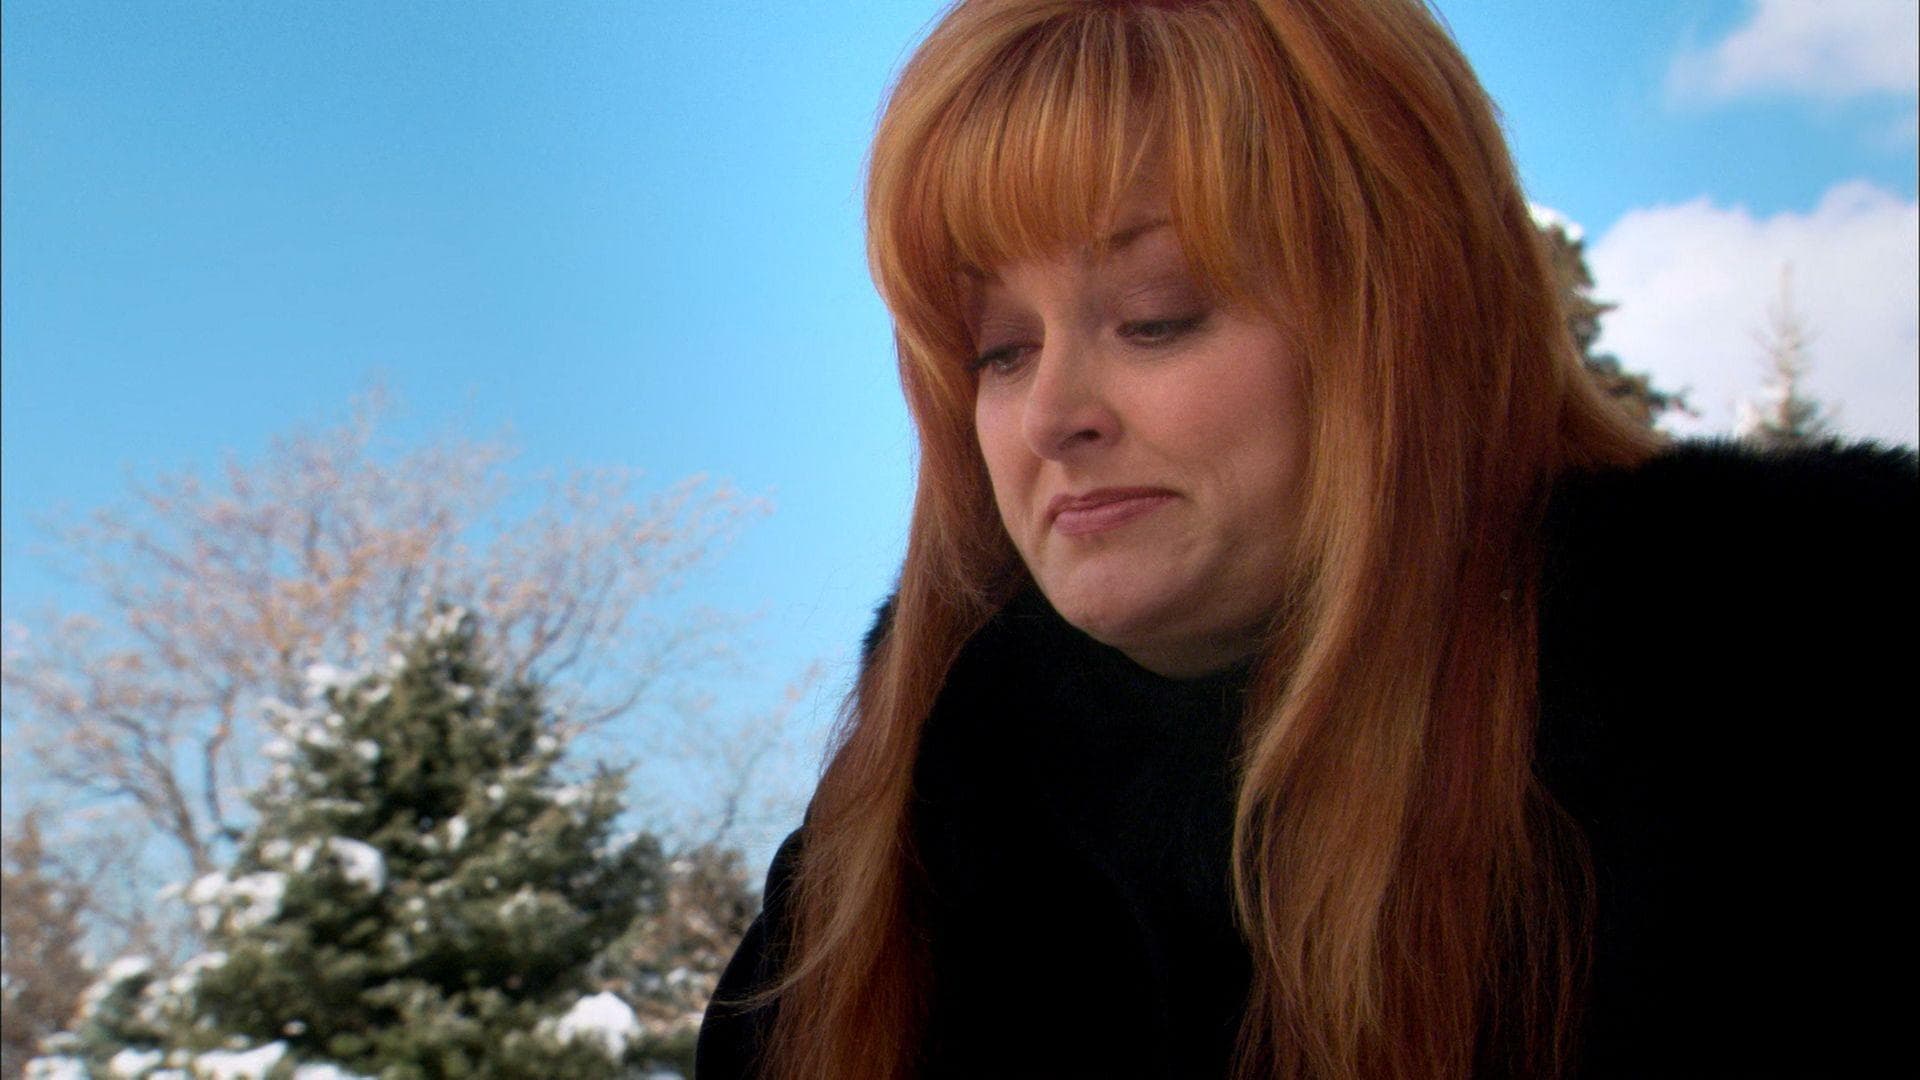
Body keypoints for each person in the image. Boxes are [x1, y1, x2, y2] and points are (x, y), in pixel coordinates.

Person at [697, 1, 1917, 1077]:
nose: (1053, 415)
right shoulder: (894, 851)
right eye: (999, 349)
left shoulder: (1794, 707)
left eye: (1157, 316)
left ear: (1407, 322)